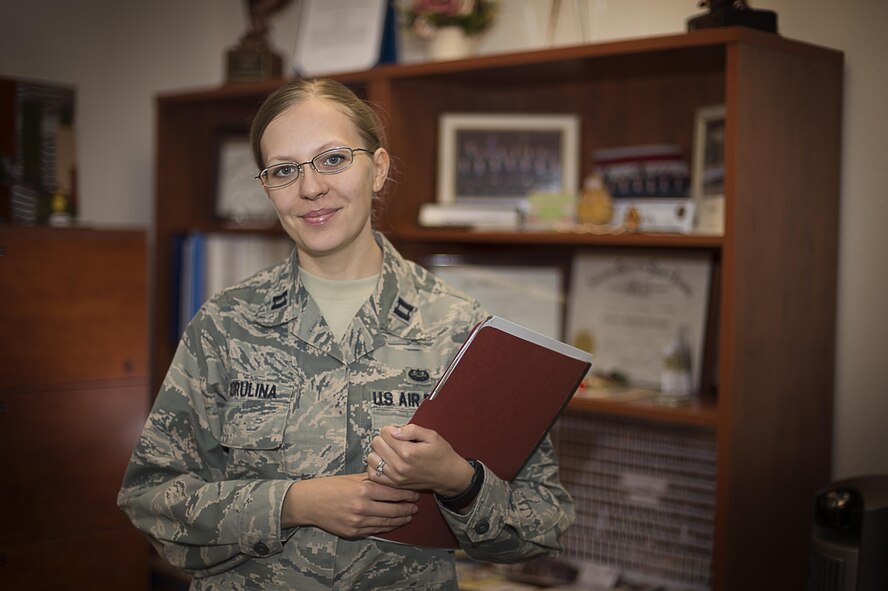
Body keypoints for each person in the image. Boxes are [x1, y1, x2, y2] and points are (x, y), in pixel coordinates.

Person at [118, 78, 575, 590]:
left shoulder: (461, 329)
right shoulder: (224, 325)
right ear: (267, 186)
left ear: (377, 169)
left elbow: (544, 523)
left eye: (333, 159)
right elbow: (150, 498)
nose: (310, 187)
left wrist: (459, 482)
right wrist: (294, 503)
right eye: (284, 170)